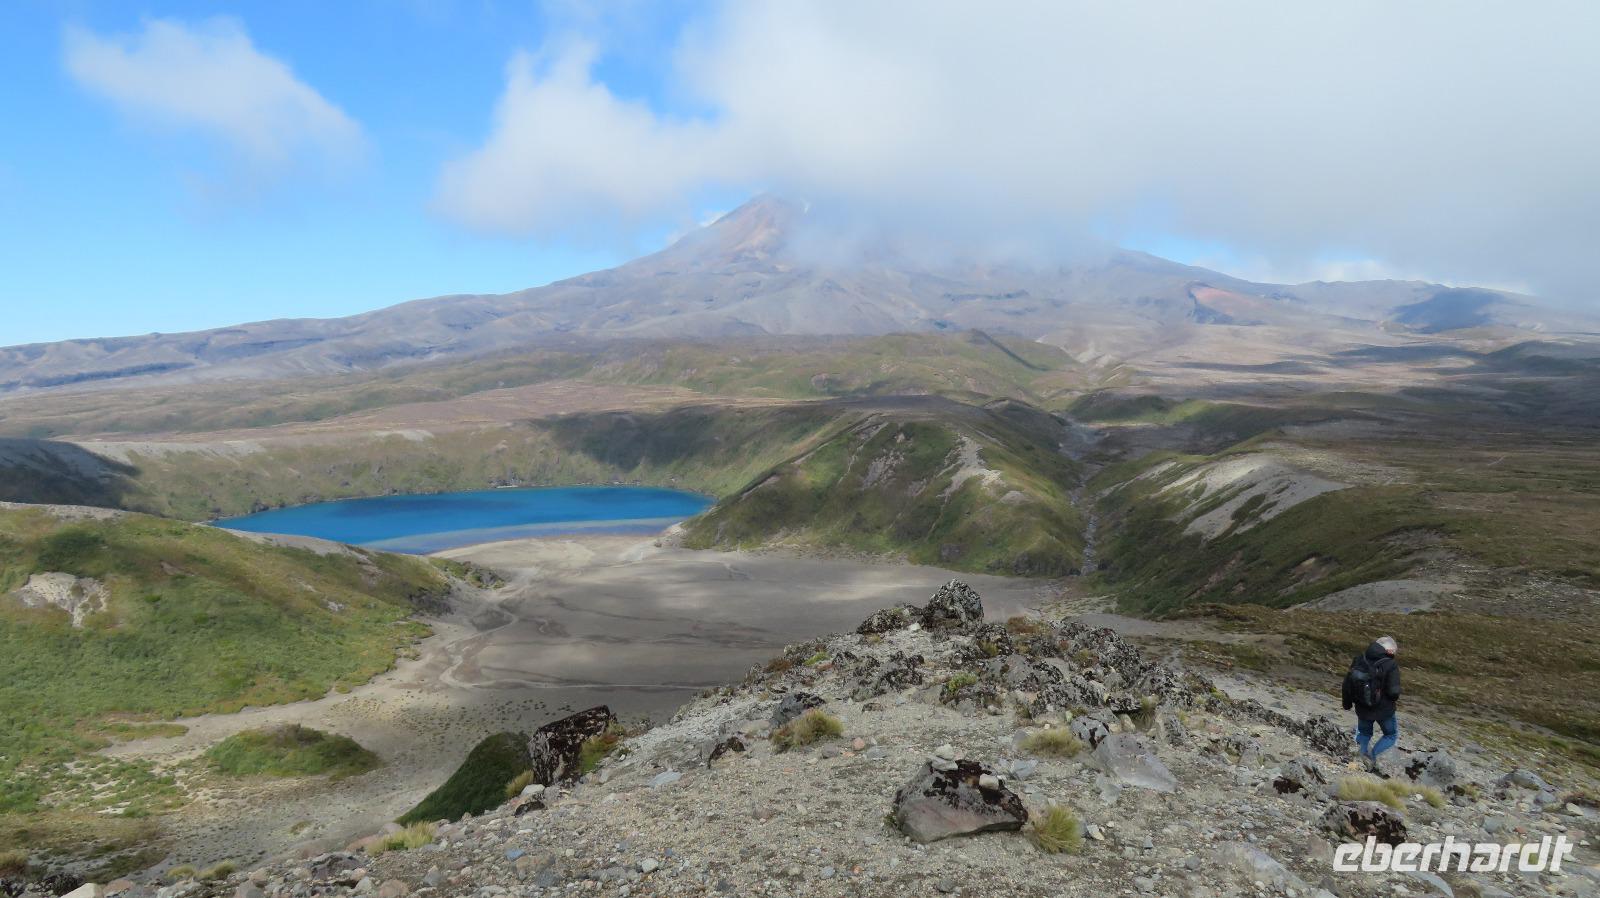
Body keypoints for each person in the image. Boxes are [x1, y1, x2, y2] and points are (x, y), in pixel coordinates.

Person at [1341, 635, 1401, 773]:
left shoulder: (1359, 659)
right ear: (1389, 651)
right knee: (1390, 735)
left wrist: (1347, 703)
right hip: (1384, 710)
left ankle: (1358, 760)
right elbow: (1393, 692)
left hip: (1362, 707)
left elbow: (1347, 684)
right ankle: (1372, 759)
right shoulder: (1390, 664)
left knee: (1364, 733)